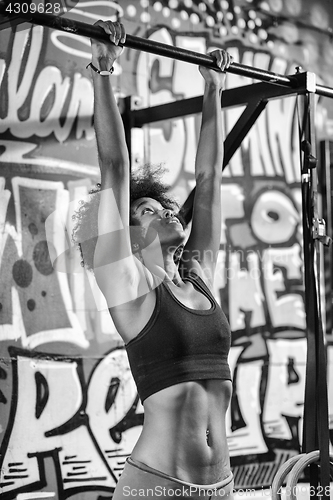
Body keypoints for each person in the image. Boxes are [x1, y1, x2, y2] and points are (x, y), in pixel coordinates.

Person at [75, 19, 234, 500]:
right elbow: (114, 169)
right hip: (158, 486)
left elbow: (208, 182)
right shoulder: (129, 284)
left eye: (165, 205)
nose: (166, 209)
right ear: (128, 233)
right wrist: (104, 72)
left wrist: (213, 91)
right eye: (147, 210)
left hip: (222, 485)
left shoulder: (198, 276)